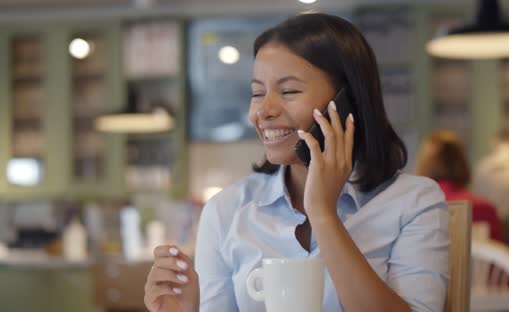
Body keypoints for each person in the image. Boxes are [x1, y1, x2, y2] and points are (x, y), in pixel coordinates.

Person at [144, 13, 449, 312]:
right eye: (257, 93)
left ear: (346, 101)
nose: (263, 111)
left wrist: (323, 213)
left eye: (288, 91)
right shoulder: (227, 211)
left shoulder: (414, 202)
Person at [416, 130, 504, 242]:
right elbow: (498, 256)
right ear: (463, 162)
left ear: (424, 164)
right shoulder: (486, 209)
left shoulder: (416, 210)